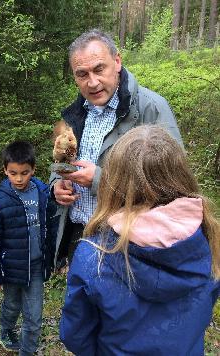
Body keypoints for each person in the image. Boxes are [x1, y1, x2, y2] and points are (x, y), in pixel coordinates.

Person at [59, 125, 220, 355]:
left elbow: (75, 335)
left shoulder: (93, 256)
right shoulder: (210, 239)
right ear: (181, 175)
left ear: (112, 183)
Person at [50, 29, 183, 266]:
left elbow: (174, 187)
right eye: (82, 74)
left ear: (117, 62)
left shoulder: (150, 109)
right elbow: (59, 162)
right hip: (80, 237)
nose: (92, 82)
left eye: (99, 69)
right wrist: (55, 186)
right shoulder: (74, 115)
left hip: (127, 241)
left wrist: (99, 180)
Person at [0, 141, 58, 356]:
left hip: (35, 266)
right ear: (5, 170)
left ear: (33, 169)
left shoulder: (43, 192)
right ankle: (6, 331)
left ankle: (28, 351)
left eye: (24, 173)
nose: (19, 178)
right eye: (13, 173)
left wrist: (55, 258)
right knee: (12, 305)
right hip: (11, 268)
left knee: (34, 316)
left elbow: (51, 228)